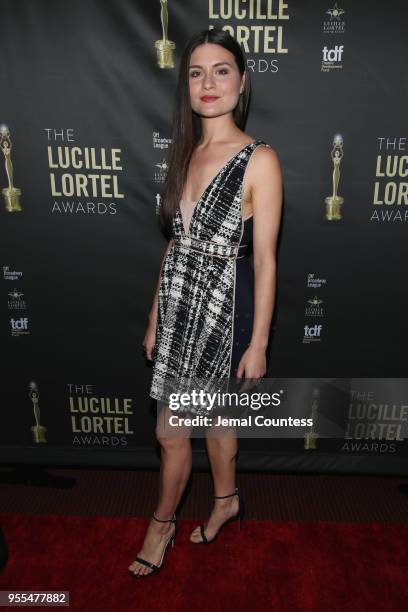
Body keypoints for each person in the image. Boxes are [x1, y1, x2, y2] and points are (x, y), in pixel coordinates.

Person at [128, 27, 283, 578]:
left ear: (241, 83)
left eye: (221, 71)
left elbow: (264, 260)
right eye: (196, 73)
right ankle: (226, 501)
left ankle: (161, 524)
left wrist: (259, 344)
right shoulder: (188, 151)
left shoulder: (259, 160)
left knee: (172, 431)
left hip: (223, 312)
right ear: (187, 88)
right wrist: (154, 317)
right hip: (176, 307)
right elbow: (175, 242)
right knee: (214, 421)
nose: (208, 83)